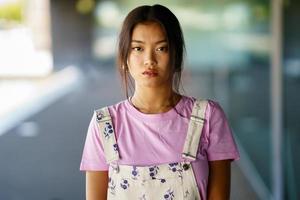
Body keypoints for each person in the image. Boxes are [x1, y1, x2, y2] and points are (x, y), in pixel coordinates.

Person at [80, 4, 239, 200]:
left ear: (177, 56)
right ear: (124, 57)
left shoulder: (208, 117)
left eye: (161, 48)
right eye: (138, 48)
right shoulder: (104, 125)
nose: (149, 60)